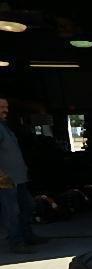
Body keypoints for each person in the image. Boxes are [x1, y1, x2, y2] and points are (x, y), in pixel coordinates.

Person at [0, 95, 47, 253]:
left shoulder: (4, 127)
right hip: (5, 180)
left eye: (6, 107)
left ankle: (27, 236)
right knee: (11, 211)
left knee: (27, 206)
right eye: (1, 107)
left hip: (18, 178)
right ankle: (16, 242)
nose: (5, 110)